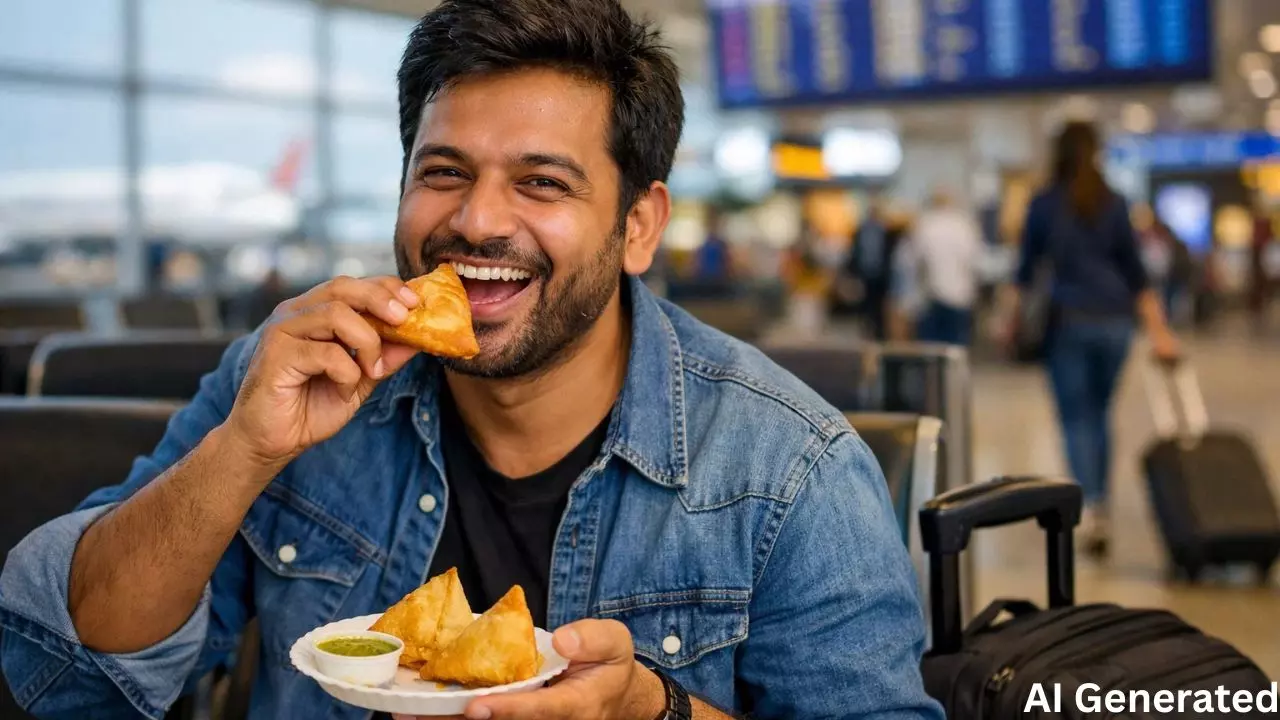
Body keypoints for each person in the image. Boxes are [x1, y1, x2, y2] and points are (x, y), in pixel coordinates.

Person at [0, 1, 942, 719]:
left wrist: (651, 710)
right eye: (444, 172)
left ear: (638, 226)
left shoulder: (790, 469)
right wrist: (244, 450)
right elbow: (64, 676)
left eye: (542, 182)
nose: (478, 219)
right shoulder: (291, 376)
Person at [1010, 121, 1180, 559]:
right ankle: (1100, 501)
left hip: (1068, 321)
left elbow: (1025, 272)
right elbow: (1136, 273)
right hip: (1116, 323)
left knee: (1075, 418)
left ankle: (1091, 506)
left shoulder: (1044, 204)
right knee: (1100, 414)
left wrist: (1009, 320)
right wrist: (1160, 332)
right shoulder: (1114, 202)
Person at [906, 189, 984, 346]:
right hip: (960, 296)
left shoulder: (925, 225)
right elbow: (975, 262)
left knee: (930, 350)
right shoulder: (964, 226)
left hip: (931, 295)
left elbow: (915, 260)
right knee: (956, 348)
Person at [846, 196, 900, 340]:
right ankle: (868, 332)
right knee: (866, 306)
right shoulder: (861, 230)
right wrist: (852, 273)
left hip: (881, 275)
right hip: (866, 274)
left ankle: (879, 333)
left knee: (879, 306)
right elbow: (855, 252)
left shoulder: (886, 231)